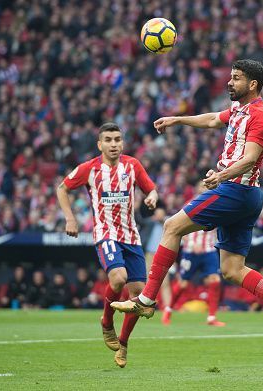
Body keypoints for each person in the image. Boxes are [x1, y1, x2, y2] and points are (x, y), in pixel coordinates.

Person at [111, 59, 263, 345]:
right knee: (232, 270)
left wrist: (220, 176)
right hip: (246, 194)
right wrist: (178, 119)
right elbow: (213, 119)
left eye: (236, 78)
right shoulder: (240, 109)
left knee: (171, 226)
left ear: (253, 84)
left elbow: (251, 158)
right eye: (230, 77)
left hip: (235, 190)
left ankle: (146, 299)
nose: (229, 82)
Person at [56, 122, 159, 367]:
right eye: (109, 140)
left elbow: (150, 188)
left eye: (117, 140)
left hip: (131, 236)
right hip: (106, 233)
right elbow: (62, 188)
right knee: (118, 278)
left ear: (122, 143)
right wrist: (70, 218)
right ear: (99, 144)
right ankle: (106, 320)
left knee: (138, 298)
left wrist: (153, 195)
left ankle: (123, 345)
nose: (114, 144)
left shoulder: (132, 165)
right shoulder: (89, 169)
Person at [168, 190, 225, 326]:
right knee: (183, 284)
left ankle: (211, 317)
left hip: (208, 250)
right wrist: (191, 243)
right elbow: (179, 226)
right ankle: (168, 310)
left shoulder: (218, 206)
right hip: (190, 251)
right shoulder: (190, 205)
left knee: (215, 280)